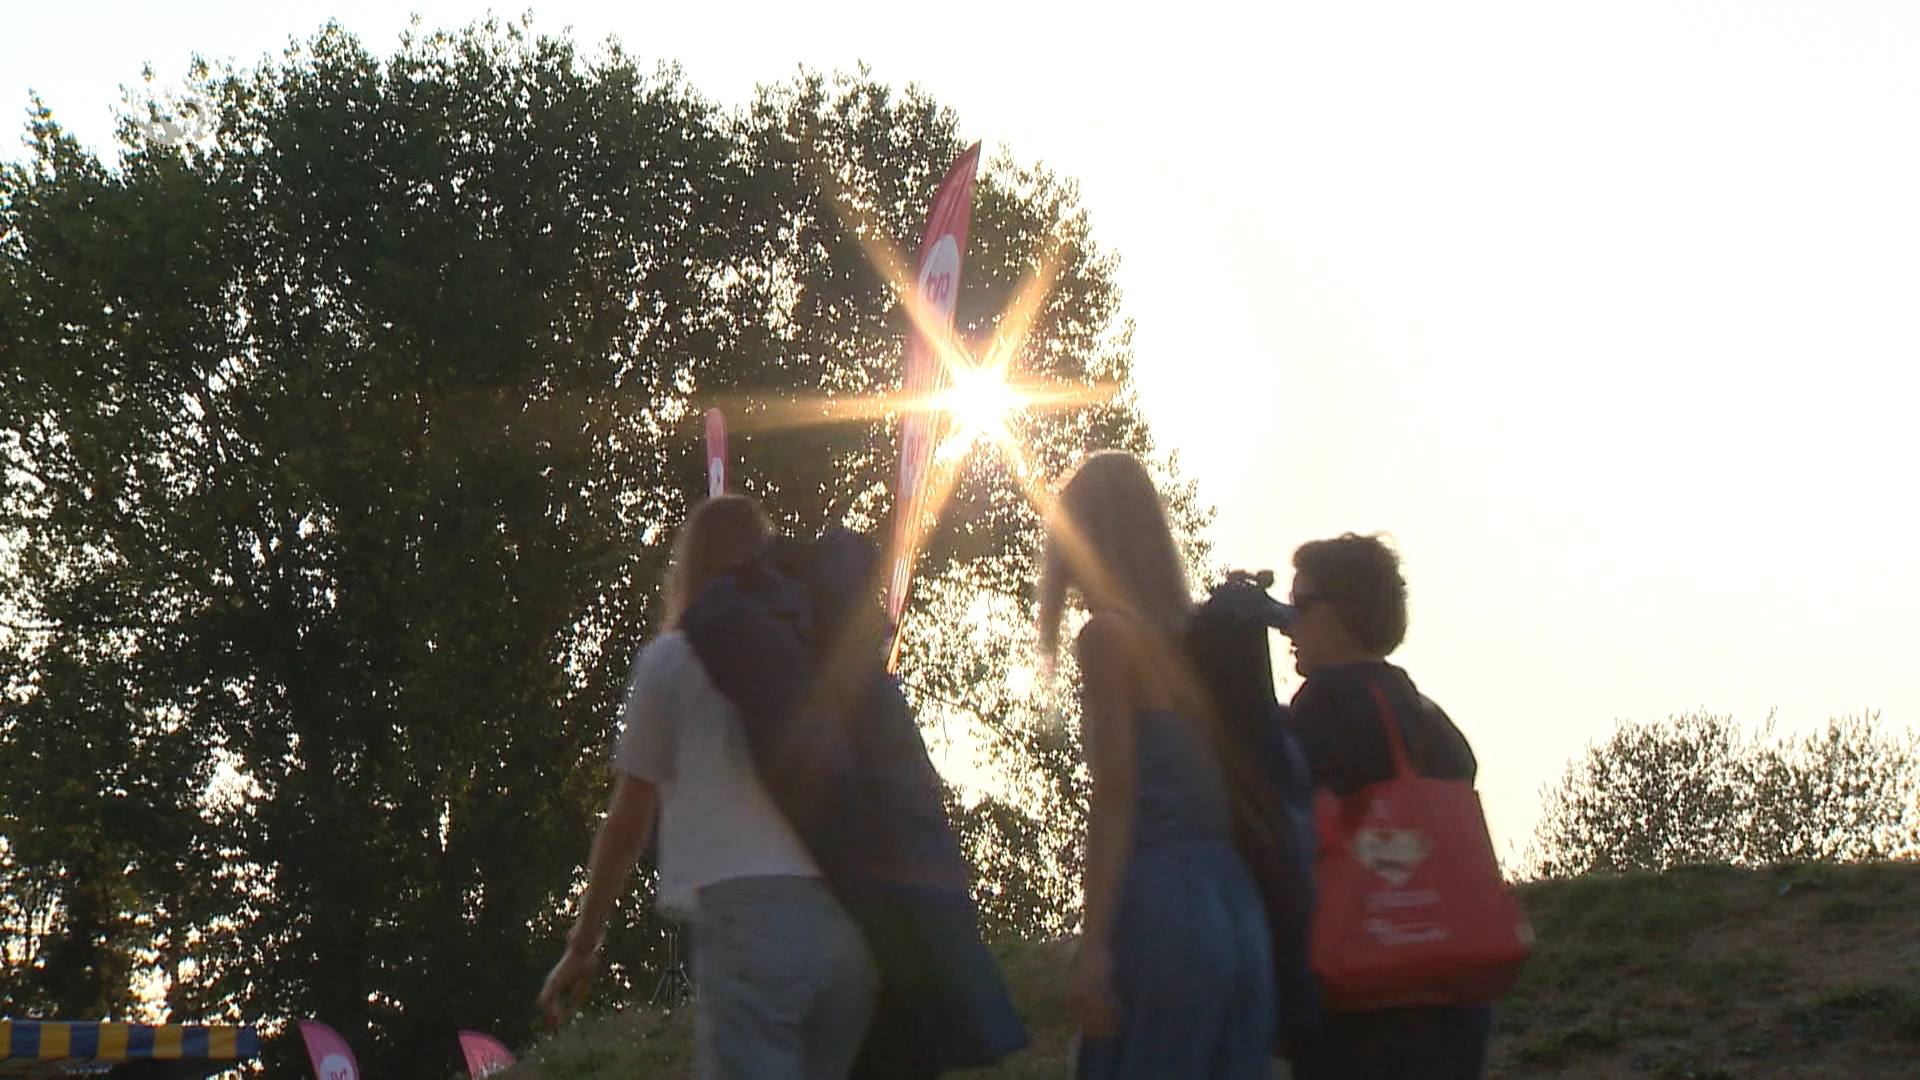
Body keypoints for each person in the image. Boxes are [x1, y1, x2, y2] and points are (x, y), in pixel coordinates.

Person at [536, 495, 876, 1080]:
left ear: (687, 566)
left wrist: (584, 944)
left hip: (749, 931)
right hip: (844, 925)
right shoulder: (808, 651)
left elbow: (626, 826)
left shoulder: (671, 661)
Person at [1037, 450, 1276, 1080]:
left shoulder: (1108, 639)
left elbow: (1116, 795)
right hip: (1235, 905)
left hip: (1163, 904)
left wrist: (1092, 947)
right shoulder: (1197, 644)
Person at [1279, 532, 1494, 1080]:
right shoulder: (1427, 717)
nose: (1287, 623)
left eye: (1301, 605)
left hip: (1365, 986)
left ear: (1343, 611)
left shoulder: (1325, 706)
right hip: (1449, 981)